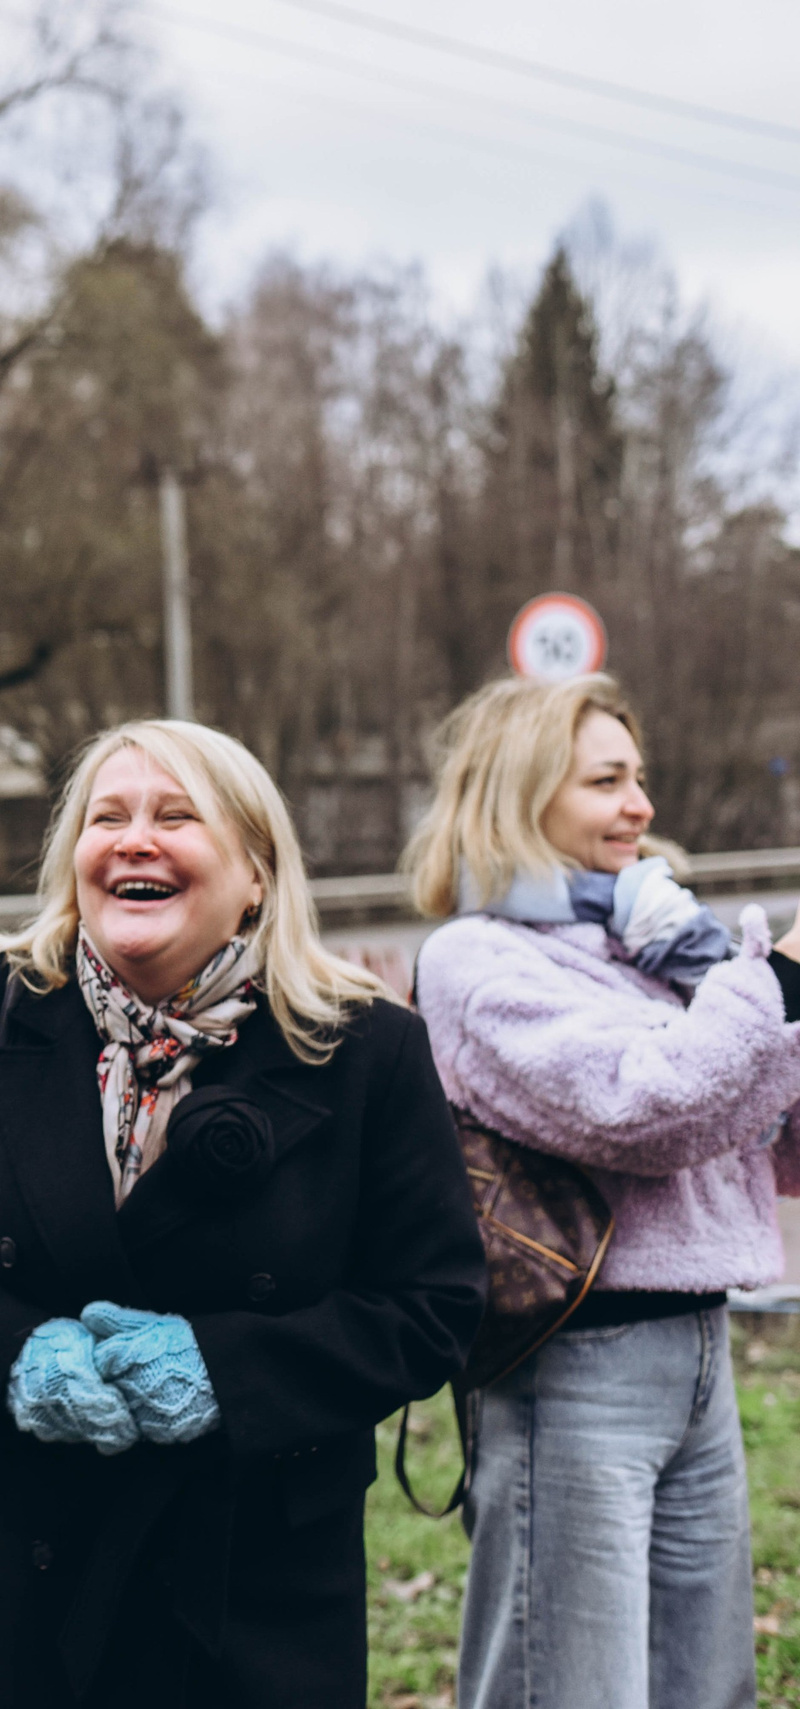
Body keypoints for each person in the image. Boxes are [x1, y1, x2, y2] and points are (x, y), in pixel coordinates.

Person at [0, 719, 484, 1709]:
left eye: (175, 815)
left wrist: (222, 1374)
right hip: (26, 1561)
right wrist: (9, 1356)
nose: (133, 839)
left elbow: (432, 1302)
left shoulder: (367, 1048)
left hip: (257, 1582)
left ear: (256, 874)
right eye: (108, 816)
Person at [407, 672, 800, 1709]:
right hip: (578, 1361)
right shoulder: (475, 960)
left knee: (701, 1687)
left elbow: (760, 1130)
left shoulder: (659, 945)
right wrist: (777, 986)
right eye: (607, 780)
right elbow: (644, 1106)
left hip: (701, 1347)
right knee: (570, 1689)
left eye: (639, 778)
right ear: (518, 792)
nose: (641, 805)